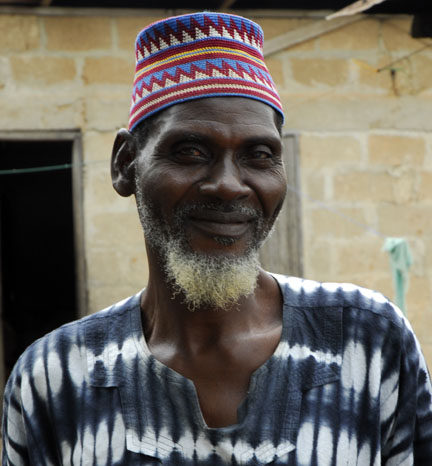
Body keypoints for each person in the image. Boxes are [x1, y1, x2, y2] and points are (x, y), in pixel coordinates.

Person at [2, 11, 432, 466]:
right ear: (126, 164)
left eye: (259, 155)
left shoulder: (366, 342)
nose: (228, 185)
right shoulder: (54, 378)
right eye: (190, 151)